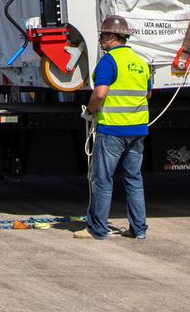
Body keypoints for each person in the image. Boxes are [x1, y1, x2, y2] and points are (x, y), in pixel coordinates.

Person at [76, 15, 148, 241]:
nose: (100, 40)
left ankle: (97, 229)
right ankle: (138, 229)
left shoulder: (109, 61)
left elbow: (100, 93)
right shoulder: (141, 62)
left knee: (102, 179)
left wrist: (89, 111)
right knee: (134, 179)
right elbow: (147, 93)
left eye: (103, 36)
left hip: (113, 131)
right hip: (137, 130)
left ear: (113, 37)